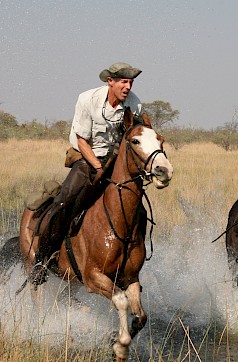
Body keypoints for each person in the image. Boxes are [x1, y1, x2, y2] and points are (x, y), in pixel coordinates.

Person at [31, 62, 144, 282]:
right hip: (86, 157)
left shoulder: (134, 104)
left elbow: (135, 135)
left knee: (139, 208)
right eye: (123, 81)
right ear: (110, 81)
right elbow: (82, 140)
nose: (128, 87)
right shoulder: (87, 99)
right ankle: (42, 260)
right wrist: (98, 167)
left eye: (130, 82)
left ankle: (133, 259)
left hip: (116, 161)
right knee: (65, 201)